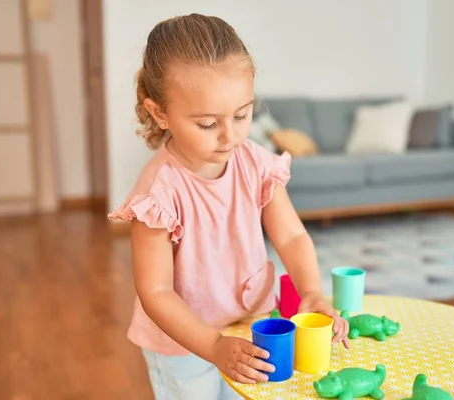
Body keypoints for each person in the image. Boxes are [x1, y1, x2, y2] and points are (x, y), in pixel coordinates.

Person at [108, 13, 350, 400]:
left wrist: (312, 291)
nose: (230, 136)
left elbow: (290, 234)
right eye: (207, 124)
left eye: (241, 115)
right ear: (159, 113)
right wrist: (213, 346)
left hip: (249, 321)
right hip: (183, 343)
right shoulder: (157, 195)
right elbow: (155, 291)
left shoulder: (255, 162)